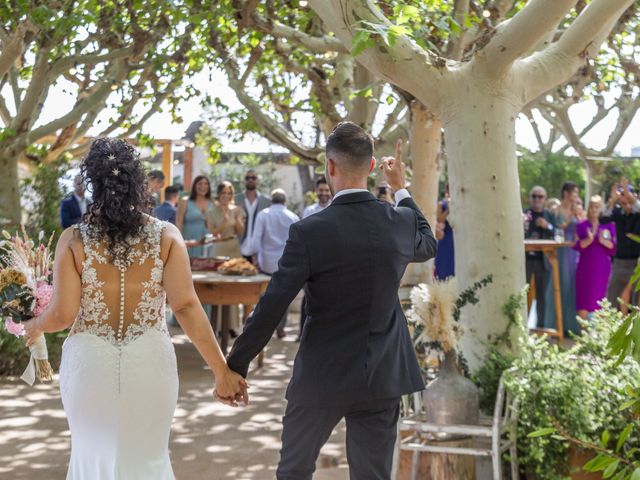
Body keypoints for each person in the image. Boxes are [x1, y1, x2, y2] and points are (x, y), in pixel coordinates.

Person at [23, 138, 247, 480]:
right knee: (148, 459)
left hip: (89, 370)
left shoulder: (74, 239)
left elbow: (62, 316)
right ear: (138, 183)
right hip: (150, 365)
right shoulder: (167, 236)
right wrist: (221, 372)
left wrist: (33, 325)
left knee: (91, 457)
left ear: (94, 183)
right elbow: (186, 306)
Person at [227, 122, 437, 480]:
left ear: (330, 167)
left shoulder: (310, 231)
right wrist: (400, 189)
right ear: (372, 168)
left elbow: (274, 304)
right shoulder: (399, 222)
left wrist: (235, 364)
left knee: (293, 471)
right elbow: (427, 243)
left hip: (321, 375)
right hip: (383, 373)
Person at [250, 188, 300, 338]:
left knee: (264, 296)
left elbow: (255, 240)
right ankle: (280, 327)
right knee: (283, 298)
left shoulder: (263, 215)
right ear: (285, 201)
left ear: (271, 200)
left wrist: (254, 259)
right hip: (285, 262)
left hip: (266, 262)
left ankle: (262, 326)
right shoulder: (293, 217)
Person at [298, 177, 333, 341]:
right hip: (312, 260)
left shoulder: (336, 208)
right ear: (316, 192)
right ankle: (302, 333)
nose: (324, 193)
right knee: (308, 298)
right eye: (321, 190)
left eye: (327, 190)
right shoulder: (309, 211)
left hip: (332, 260)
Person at [573, 196, 616, 319]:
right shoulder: (582, 225)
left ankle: (598, 335)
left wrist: (602, 240)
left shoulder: (609, 225)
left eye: (597, 206)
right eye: (591, 206)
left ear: (601, 208)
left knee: (600, 299)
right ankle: (585, 333)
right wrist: (589, 240)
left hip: (602, 268)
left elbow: (613, 248)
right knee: (583, 298)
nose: (594, 209)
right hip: (584, 267)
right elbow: (576, 245)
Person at [601, 178, 640, 313]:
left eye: (629, 201)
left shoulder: (638, 213)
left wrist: (631, 198)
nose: (627, 205)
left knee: (637, 301)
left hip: (637, 263)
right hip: (620, 262)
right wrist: (612, 200)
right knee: (612, 297)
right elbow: (603, 219)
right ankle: (612, 327)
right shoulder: (618, 214)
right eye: (623, 202)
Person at [524, 186, 555, 328]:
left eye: (540, 196)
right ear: (530, 198)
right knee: (522, 295)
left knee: (542, 297)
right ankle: (521, 326)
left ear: (545, 199)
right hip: (525, 261)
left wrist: (547, 225)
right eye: (534, 196)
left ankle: (541, 328)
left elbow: (557, 233)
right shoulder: (524, 213)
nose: (537, 199)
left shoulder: (549, 215)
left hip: (543, 261)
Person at [554, 182, 581, 334]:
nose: (576, 196)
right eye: (574, 192)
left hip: (575, 250)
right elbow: (558, 228)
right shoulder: (557, 210)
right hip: (562, 250)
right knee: (562, 283)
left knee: (573, 284)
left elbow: (584, 226)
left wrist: (579, 216)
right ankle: (558, 325)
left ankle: (573, 326)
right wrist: (570, 217)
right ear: (566, 193)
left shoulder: (577, 209)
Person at [235, 169, 271, 263]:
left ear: (257, 180)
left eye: (253, 178)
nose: (250, 180)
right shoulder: (235, 200)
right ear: (244, 180)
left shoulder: (267, 201)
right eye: (248, 178)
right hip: (238, 247)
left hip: (259, 250)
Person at [176, 175, 214, 258]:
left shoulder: (212, 203)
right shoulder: (185, 201)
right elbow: (179, 222)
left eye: (205, 184)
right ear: (194, 186)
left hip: (207, 239)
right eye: (200, 184)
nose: (203, 186)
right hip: (190, 239)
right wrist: (179, 241)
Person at [207, 181, 245, 258]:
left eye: (229, 193)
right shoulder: (212, 211)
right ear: (219, 194)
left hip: (234, 247)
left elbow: (240, 232)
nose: (226, 195)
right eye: (223, 193)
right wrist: (225, 221)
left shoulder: (237, 210)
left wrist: (237, 218)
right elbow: (212, 233)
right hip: (219, 248)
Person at [434, 193, 455, 280]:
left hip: (457, 237)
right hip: (446, 238)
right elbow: (439, 219)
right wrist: (449, 209)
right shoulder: (441, 204)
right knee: (444, 263)